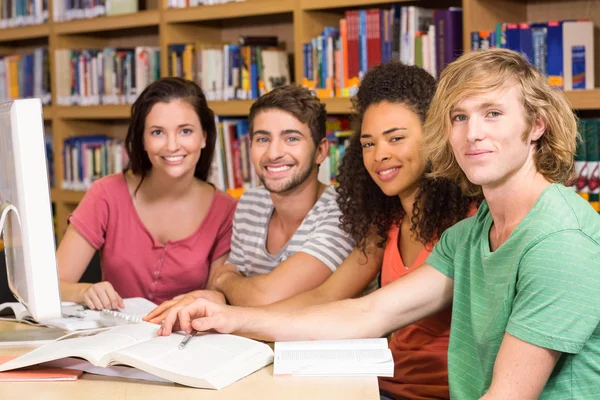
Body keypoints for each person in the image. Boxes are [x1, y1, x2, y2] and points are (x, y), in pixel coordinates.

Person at [159, 49, 600, 399]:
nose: (472, 133)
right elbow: (370, 311)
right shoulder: (471, 233)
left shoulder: (560, 242)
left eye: (493, 113)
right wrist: (227, 318)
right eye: (459, 117)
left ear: (537, 125)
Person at [264, 62, 475, 400]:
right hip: (375, 386)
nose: (380, 155)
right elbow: (325, 295)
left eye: (396, 138)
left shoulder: (469, 224)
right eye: (368, 144)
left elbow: (368, 312)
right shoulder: (387, 223)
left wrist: (233, 318)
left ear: (434, 135)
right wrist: (227, 322)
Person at [145, 85, 355, 321]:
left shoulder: (343, 211)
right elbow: (227, 279)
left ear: (320, 151)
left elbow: (264, 296)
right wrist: (228, 283)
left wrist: (227, 283)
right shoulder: (251, 202)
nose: (274, 153)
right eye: (263, 139)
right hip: (259, 346)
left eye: (291, 138)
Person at [57, 77, 237, 310]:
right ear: (142, 139)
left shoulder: (226, 211)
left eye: (185, 131)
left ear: (204, 136)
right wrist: (84, 290)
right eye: (157, 132)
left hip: (188, 341)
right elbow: (53, 286)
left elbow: (217, 298)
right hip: (115, 337)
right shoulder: (106, 194)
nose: (172, 146)